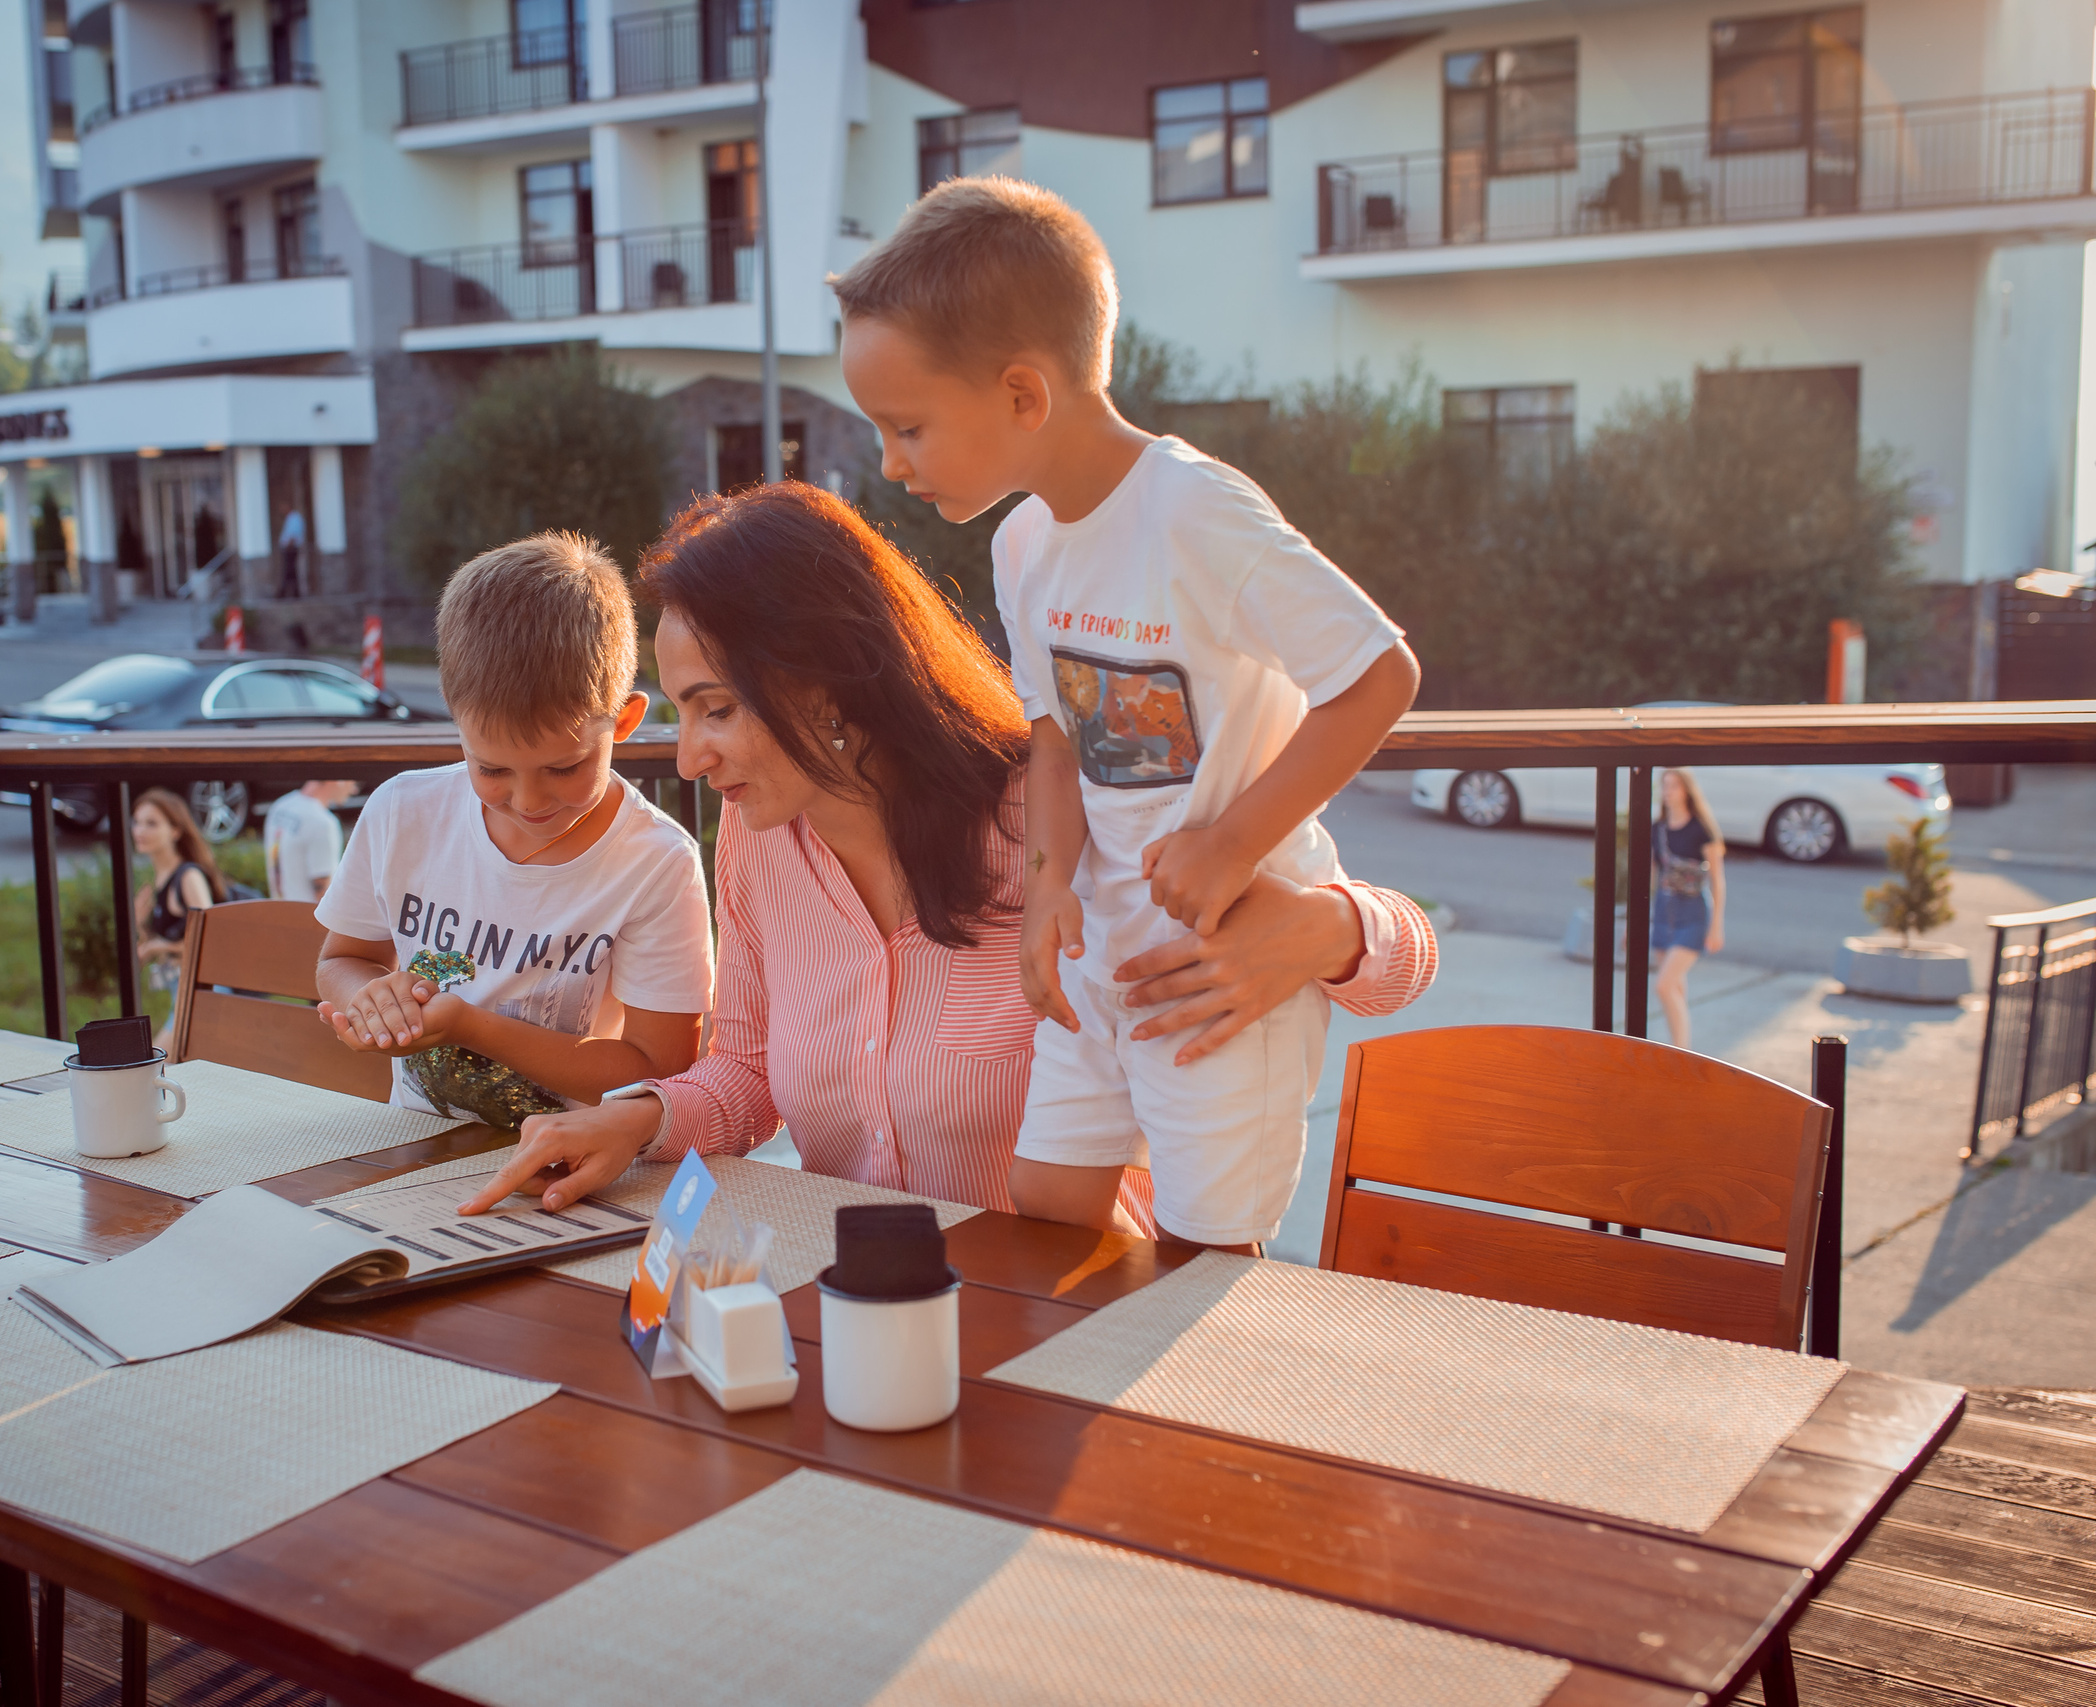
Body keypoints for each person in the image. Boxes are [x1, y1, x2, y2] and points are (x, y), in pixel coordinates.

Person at [459, 485, 1436, 1231]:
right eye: (680, 713)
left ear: (827, 685)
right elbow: (750, 1076)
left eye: (716, 708)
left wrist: (1329, 929)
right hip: (859, 1306)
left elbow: (1403, 960)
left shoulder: (1050, 814)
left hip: (1073, 1320)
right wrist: (631, 1118)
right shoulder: (759, 854)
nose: (687, 756)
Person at [832, 177, 1421, 1252]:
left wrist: (1235, 843)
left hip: (1217, 975)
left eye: (905, 426)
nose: (890, 463)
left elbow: (1377, 675)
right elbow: (1054, 736)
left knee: (1206, 1263)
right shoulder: (1021, 546)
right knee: (1052, 1217)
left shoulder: (1194, 510)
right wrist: (1052, 887)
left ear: (1022, 393)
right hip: (1101, 957)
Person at [312, 534, 713, 1130]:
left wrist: (473, 1028)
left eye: (564, 767)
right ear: (454, 714)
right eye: (491, 768)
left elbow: (662, 1067)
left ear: (624, 720)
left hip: (573, 1167)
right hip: (413, 1143)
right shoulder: (402, 811)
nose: (527, 801)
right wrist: (373, 1004)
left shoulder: (655, 863)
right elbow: (343, 960)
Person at [131, 787, 228, 1048]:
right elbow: (162, 943)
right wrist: (142, 926)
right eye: (137, 822)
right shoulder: (158, 881)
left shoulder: (187, 877)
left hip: (206, 992)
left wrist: (159, 946)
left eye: (151, 823)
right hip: (183, 992)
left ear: (175, 830)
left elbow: (211, 940)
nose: (140, 830)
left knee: (157, 1065)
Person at [1651, 768, 1726, 1051]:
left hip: (1693, 912)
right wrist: (1640, 920)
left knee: (1664, 985)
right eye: (1665, 785)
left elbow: (1717, 879)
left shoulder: (1701, 829)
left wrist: (1717, 925)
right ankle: (1681, 1047)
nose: (1668, 791)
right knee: (1676, 988)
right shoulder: (1657, 829)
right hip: (1664, 909)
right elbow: (1651, 877)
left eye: (1674, 786)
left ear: (1687, 791)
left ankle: (1680, 1053)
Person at [267, 778, 354, 903]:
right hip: (306, 918)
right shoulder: (323, 823)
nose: (354, 790)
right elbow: (323, 890)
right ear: (338, 779)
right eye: (354, 782)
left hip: (279, 912)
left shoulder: (279, 807)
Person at [277, 505, 307, 599]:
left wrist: (288, 546)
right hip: (289, 548)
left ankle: (287, 592)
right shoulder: (290, 518)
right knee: (290, 570)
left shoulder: (294, 518)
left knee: (289, 570)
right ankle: (292, 592)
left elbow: (293, 534)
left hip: (291, 549)